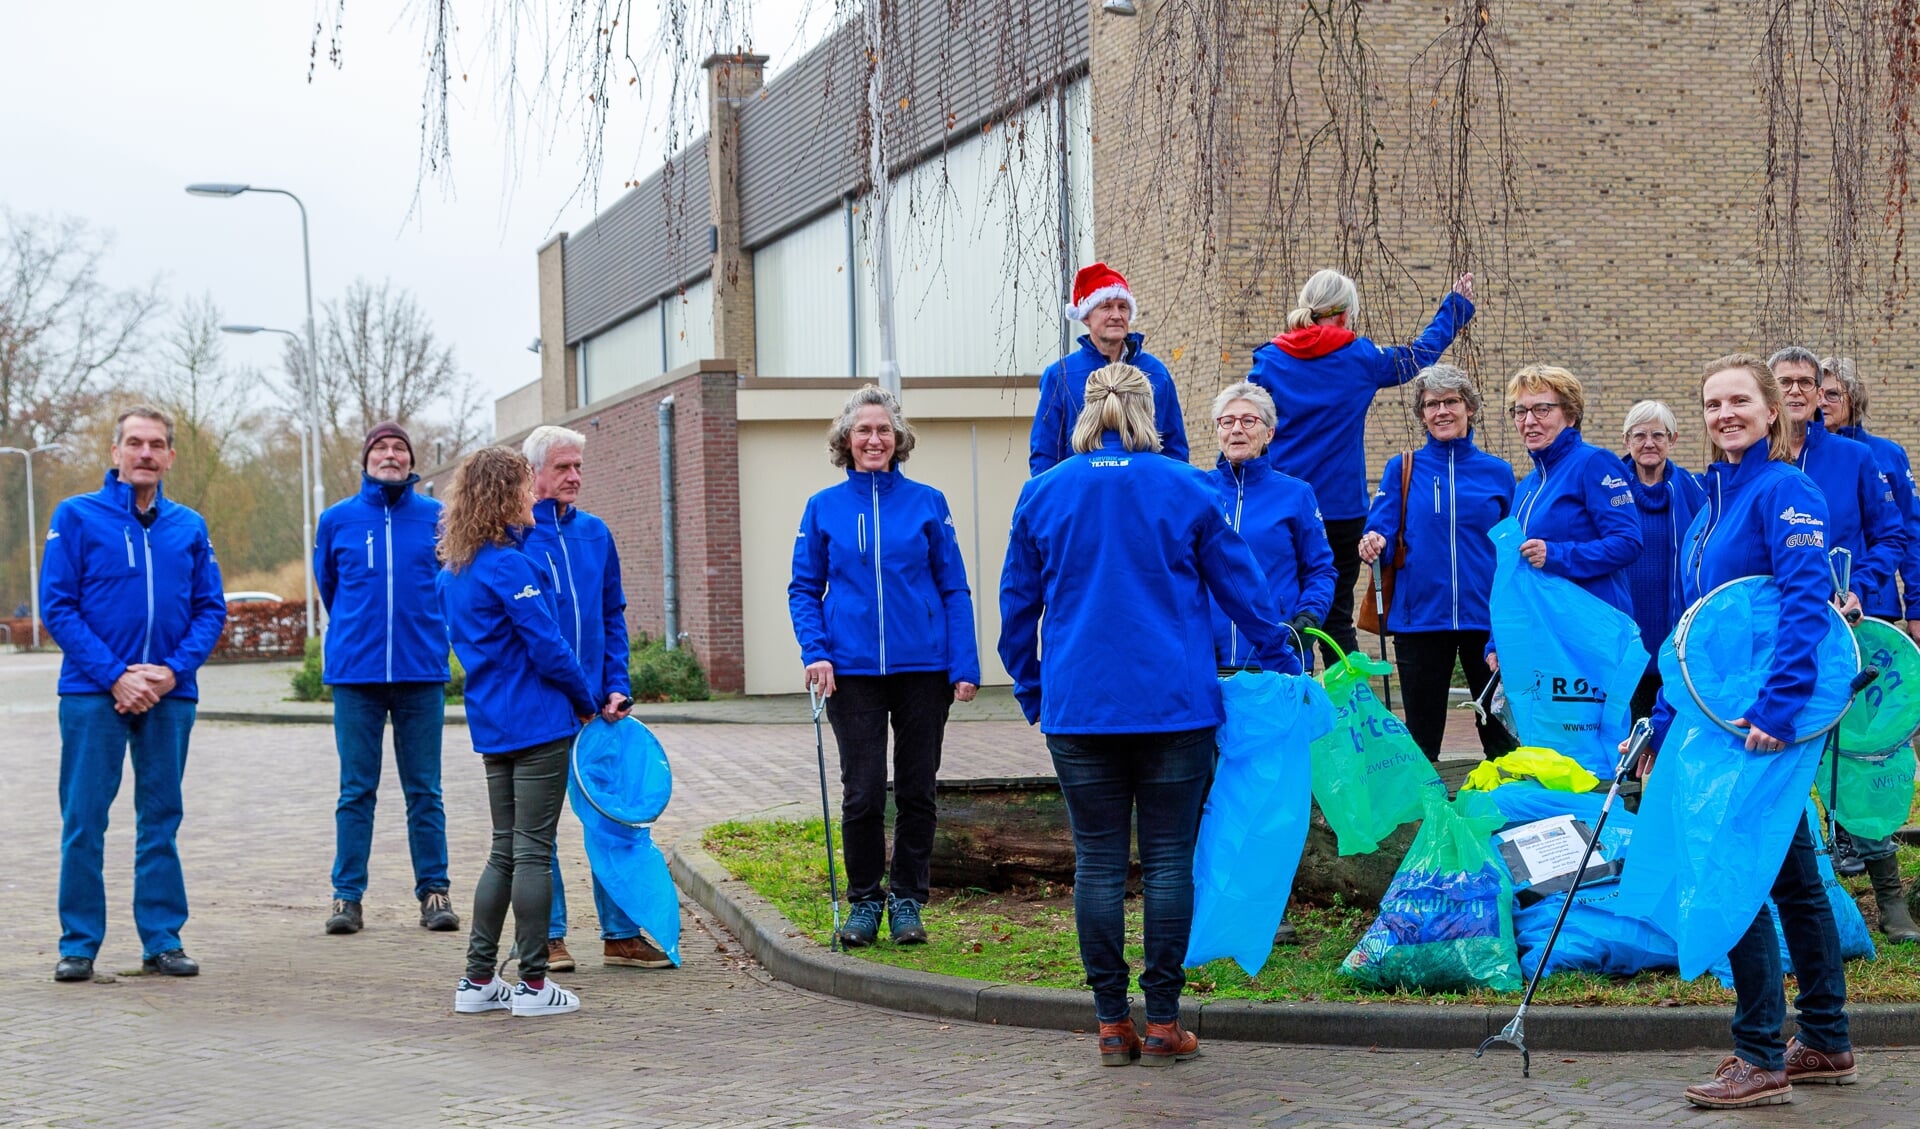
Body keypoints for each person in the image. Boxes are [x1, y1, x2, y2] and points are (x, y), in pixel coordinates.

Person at [999, 363, 1300, 1068]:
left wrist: (1030, 685)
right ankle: (1162, 1018)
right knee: (1169, 860)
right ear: (1150, 410)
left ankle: (1110, 1021)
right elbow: (1242, 586)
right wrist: (1280, 655)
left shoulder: (1042, 493)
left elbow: (1019, 606)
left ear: (1082, 412)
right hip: (1174, 703)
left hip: (1080, 706)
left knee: (1097, 862)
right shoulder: (1189, 485)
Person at [1639, 354, 1854, 1109]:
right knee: (1793, 877)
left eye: (1739, 401)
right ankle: (1825, 1038)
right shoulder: (1707, 507)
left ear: (1772, 413)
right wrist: (1664, 719)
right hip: (1723, 723)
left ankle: (1760, 1053)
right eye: (1711, 403)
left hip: (1763, 725)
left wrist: (1779, 708)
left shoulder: (1785, 489)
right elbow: (1693, 636)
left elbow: (1806, 602)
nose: (1724, 413)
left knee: (1732, 866)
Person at [789, 386, 981, 948]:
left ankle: (908, 901)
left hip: (923, 667)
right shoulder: (823, 507)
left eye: (884, 431)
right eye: (863, 431)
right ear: (845, 441)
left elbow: (953, 586)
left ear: (899, 441)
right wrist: (816, 651)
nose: (874, 439)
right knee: (864, 792)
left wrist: (962, 662)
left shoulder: (928, 502)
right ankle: (866, 901)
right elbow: (803, 587)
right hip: (850, 672)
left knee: (918, 789)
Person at [40, 406, 227, 983]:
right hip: (93, 694)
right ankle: (78, 944)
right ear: (115, 452)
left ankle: (163, 939)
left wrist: (170, 673)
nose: (145, 453)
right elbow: (58, 606)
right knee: (84, 819)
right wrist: (116, 674)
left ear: (170, 456)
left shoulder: (189, 526)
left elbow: (209, 608)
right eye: (134, 443)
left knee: (161, 818)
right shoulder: (76, 516)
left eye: (156, 445)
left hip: (170, 696)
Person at [439, 446, 607, 1019]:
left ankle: (478, 979)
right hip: (537, 722)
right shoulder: (510, 566)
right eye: (524, 485)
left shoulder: (455, 571)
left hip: (492, 724)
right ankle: (535, 986)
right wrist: (585, 701)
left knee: (504, 849)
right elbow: (548, 647)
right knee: (534, 850)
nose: (534, 494)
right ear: (505, 495)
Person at [1246, 269, 1475, 666]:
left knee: (1282, 605)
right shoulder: (1360, 357)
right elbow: (1416, 358)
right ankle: (1349, 713)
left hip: (1280, 504)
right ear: (1345, 313)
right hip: (1340, 509)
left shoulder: (1269, 360)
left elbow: (1247, 425)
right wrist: (1454, 309)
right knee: (1335, 617)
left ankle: (1290, 709)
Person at [520, 424, 669, 972]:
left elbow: (612, 616)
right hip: (543, 705)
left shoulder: (596, 534)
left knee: (613, 819)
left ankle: (621, 936)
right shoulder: (514, 538)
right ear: (533, 473)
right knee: (540, 828)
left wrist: (616, 685)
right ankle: (551, 938)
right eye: (562, 467)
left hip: (599, 711)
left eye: (579, 466)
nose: (575, 476)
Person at [313, 421, 458, 937]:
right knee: (356, 790)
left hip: (421, 672)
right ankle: (346, 897)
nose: (391, 455)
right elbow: (330, 587)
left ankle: (434, 892)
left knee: (425, 790)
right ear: (366, 460)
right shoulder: (337, 520)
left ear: (411, 461)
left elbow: (449, 584)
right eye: (381, 448)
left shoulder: (439, 518)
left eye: (399, 448)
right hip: (357, 675)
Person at [1358, 364, 1516, 763]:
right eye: (1431, 404)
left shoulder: (1497, 473)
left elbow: (1511, 544)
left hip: (1487, 621)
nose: (1441, 411)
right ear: (1422, 413)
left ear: (1469, 408)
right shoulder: (1403, 467)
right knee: (1422, 739)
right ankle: (1421, 816)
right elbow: (1381, 521)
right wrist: (1373, 537)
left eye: (1451, 401)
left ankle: (1509, 813)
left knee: (1500, 735)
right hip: (1420, 619)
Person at [1815, 356, 1920, 943]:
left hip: (1861, 623)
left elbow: (1900, 533)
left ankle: (1887, 893)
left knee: (1864, 749)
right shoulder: (1767, 459)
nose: (1819, 401)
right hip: (1795, 630)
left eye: (1828, 392)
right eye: (1807, 390)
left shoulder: (1870, 457)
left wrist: (1910, 601)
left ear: (1851, 398)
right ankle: (1823, 883)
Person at [1488, 364, 1642, 675]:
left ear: (1570, 415)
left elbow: (1628, 543)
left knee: (1592, 726)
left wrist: (1555, 554)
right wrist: (1498, 639)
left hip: (1591, 634)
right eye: (1520, 411)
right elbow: (1514, 572)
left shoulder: (1594, 463)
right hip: (1544, 637)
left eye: (1542, 409)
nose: (1529, 421)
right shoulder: (1527, 486)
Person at [1206, 381, 1336, 672]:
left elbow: (1320, 570)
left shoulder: (1297, 495)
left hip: (1277, 657)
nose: (1236, 429)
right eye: (1227, 421)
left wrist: (1308, 617)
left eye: (1248, 420)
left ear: (1269, 433)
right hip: (1207, 660)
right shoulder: (1198, 492)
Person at [1769, 346, 1903, 626]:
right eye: (1784, 382)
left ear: (1818, 394)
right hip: (1769, 620)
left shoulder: (1856, 457)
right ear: (1770, 392)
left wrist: (1858, 587)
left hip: (1840, 620)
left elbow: (1891, 537)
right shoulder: (1753, 459)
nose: (1795, 390)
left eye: (1805, 382)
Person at [1028, 262, 1189, 475]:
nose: (1116, 315)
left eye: (1123, 307)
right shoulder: (1060, 375)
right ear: (1086, 316)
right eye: (1106, 307)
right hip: (1084, 498)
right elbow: (1045, 453)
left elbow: (1175, 448)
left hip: (1143, 496)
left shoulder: (1156, 372)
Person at [1618, 401, 1708, 722]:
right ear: (1626, 441)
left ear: (1673, 439)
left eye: (1658, 434)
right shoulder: (1608, 490)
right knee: (1627, 729)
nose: (1649, 443)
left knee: (1670, 729)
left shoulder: (1696, 490)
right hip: (1625, 627)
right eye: (1639, 435)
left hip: (1676, 629)